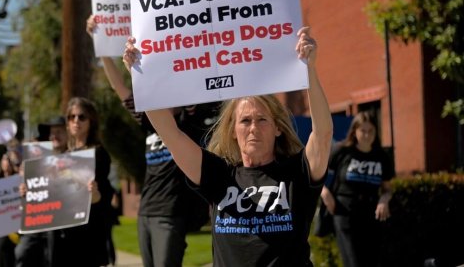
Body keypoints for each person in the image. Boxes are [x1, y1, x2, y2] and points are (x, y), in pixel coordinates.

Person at [122, 26, 333, 266]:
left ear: (277, 128)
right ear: (233, 131)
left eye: (262, 119)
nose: (253, 127)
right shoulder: (218, 175)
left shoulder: (298, 174)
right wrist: (139, 78)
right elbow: (171, 134)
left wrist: (310, 70)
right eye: (245, 120)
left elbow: (323, 134)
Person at [87, 15, 217, 267]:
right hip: (145, 213)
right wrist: (100, 43)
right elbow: (120, 88)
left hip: (171, 215)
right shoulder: (151, 121)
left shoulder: (189, 125)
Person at [320, 110, 394, 267]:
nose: (367, 135)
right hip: (344, 213)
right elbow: (316, 173)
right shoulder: (342, 150)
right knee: (353, 263)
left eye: (370, 131)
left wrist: (384, 199)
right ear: (354, 131)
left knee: (372, 262)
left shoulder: (381, 156)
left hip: (371, 216)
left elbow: (387, 188)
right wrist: (325, 193)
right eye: (363, 131)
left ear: (376, 131)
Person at [49, 97, 114, 267]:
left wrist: (94, 193)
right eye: (72, 117)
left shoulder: (98, 153)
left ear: (91, 121)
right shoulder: (63, 155)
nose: (76, 121)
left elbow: (102, 196)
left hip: (88, 233)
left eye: (82, 117)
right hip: (64, 232)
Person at [15, 116, 67, 267]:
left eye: (59, 131)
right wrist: (24, 188)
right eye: (51, 133)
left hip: (61, 224)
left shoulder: (75, 157)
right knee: (22, 253)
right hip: (39, 219)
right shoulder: (37, 160)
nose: (54, 136)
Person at [0, 151, 20, 267]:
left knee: (13, 252)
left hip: (16, 222)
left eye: (9, 160)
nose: (6, 163)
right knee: (1, 250)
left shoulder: (18, 178)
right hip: (3, 224)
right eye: (4, 160)